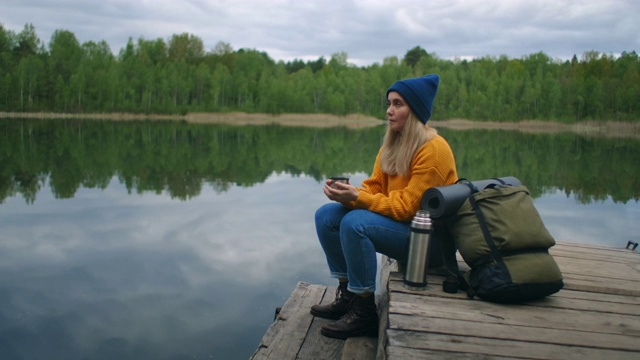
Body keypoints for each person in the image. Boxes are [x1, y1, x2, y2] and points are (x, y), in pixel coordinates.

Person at [310, 74, 458, 339]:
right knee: (327, 216)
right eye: (389, 103)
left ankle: (364, 312)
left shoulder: (434, 149)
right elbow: (374, 190)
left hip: (431, 243)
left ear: (415, 109)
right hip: (404, 230)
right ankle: (347, 296)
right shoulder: (392, 145)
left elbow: (408, 209)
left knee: (356, 224)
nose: (389, 110)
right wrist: (349, 193)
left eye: (398, 104)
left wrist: (358, 199)